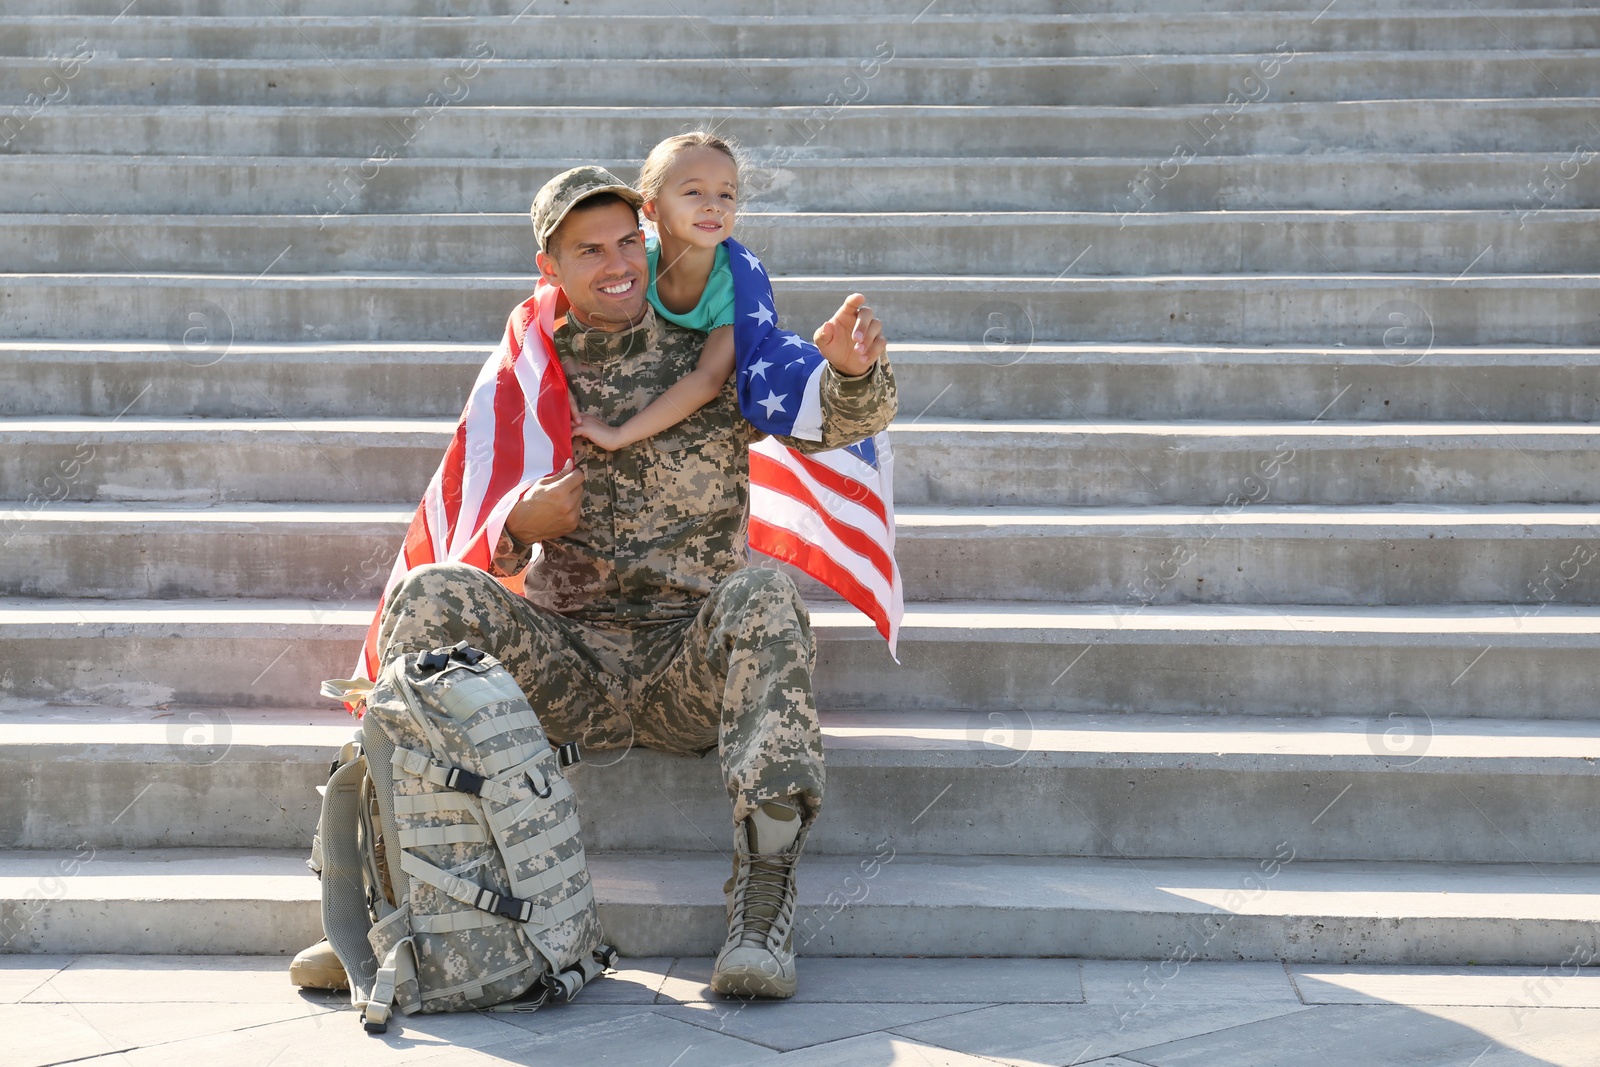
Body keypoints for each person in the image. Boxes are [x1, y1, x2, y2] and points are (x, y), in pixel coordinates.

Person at [291, 165, 896, 1000]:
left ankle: (762, 908)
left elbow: (827, 419)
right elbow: (476, 524)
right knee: (430, 592)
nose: (618, 264)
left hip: (688, 662)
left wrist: (856, 376)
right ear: (553, 268)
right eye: (589, 250)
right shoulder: (532, 368)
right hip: (564, 663)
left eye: (626, 242)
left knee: (766, 593)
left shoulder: (714, 354)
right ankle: (392, 897)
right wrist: (515, 530)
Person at [567, 132, 740, 452]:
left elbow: (708, 380)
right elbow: (543, 307)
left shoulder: (734, 286)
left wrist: (619, 435)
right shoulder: (634, 260)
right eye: (694, 191)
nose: (714, 206)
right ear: (651, 208)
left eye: (726, 195)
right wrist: (551, 378)